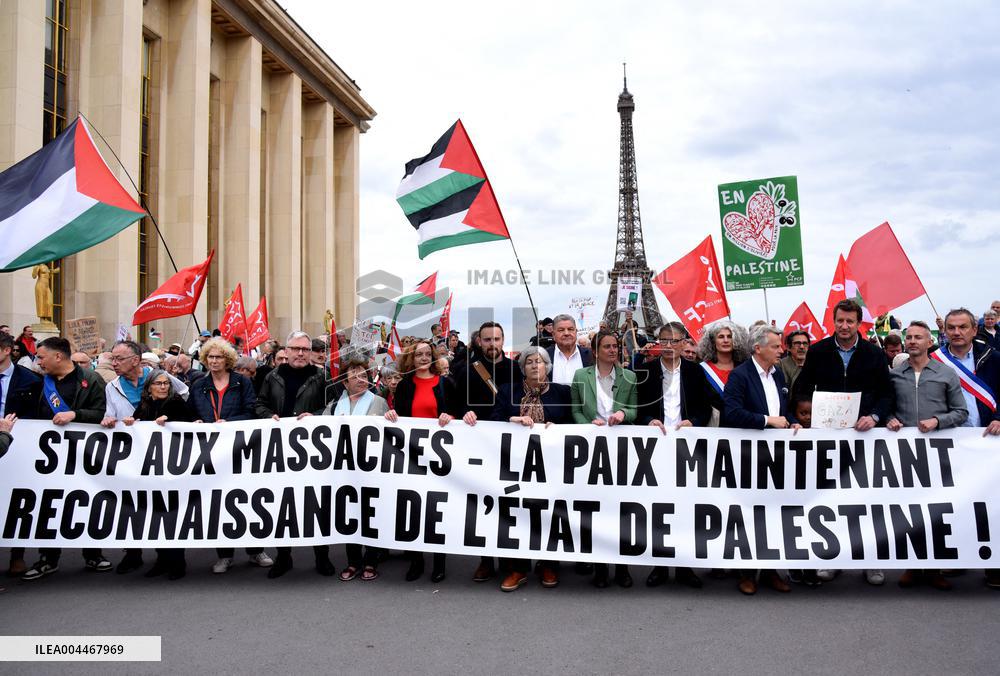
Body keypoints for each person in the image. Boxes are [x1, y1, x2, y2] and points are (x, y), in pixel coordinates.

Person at [793, 299, 893, 586]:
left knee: (866, 502)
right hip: (828, 438)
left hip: (864, 437)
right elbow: (802, 387)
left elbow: (886, 394)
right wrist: (803, 413)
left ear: (858, 322)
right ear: (833, 321)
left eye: (850, 321)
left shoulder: (874, 354)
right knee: (832, 500)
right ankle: (834, 559)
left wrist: (874, 416)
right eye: (840, 321)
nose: (845, 326)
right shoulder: (818, 351)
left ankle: (871, 560)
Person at [885, 321, 968, 591]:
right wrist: (889, 419)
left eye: (918, 337)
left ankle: (934, 569)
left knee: (935, 510)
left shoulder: (946, 373)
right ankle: (912, 566)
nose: (911, 341)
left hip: (937, 453)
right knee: (909, 510)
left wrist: (937, 421)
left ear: (929, 342)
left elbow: (961, 412)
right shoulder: (896, 374)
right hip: (905, 454)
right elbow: (886, 407)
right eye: (908, 337)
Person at [22, 337, 111, 581]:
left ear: (58, 356)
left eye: (41, 357)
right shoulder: (41, 383)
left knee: (87, 502)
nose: (38, 362)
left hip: (84, 455)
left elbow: (103, 413)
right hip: (50, 458)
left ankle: (93, 553)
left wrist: (76, 414)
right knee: (50, 505)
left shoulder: (91, 381)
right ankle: (48, 558)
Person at [99, 340, 189, 574]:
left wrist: (171, 417)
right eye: (113, 359)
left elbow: (184, 396)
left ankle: (167, 557)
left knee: (164, 505)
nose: (114, 363)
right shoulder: (113, 386)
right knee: (132, 504)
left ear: (136, 360)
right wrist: (111, 421)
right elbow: (111, 413)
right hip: (133, 453)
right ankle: (133, 553)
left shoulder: (158, 376)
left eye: (119, 359)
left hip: (165, 454)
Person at [722, 325, 798, 595]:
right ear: (758, 348)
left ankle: (769, 571)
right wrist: (767, 421)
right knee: (748, 515)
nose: (781, 350)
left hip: (777, 456)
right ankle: (746, 573)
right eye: (776, 346)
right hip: (748, 457)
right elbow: (731, 413)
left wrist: (793, 423)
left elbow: (783, 411)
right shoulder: (740, 376)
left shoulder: (778, 376)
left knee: (774, 514)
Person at [635, 321, 711, 589]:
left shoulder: (695, 372)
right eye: (663, 341)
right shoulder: (644, 371)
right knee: (659, 508)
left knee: (686, 507)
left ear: (683, 343)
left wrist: (695, 422)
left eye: (673, 341)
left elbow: (705, 407)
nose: (667, 346)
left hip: (686, 447)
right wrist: (648, 421)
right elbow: (637, 407)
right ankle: (660, 564)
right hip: (656, 447)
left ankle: (684, 565)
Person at [187, 337, 273, 574]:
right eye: (210, 357)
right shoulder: (198, 386)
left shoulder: (241, 383)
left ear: (228, 360)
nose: (214, 361)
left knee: (247, 499)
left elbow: (251, 412)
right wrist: (195, 422)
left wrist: (229, 422)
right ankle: (224, 555)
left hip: (240, 449)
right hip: (211, 451)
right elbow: (190, 413)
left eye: (219, 357)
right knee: (217, 502)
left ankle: (256, 550)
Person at [490, 346, 572, 592]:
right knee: (515, 514)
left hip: (551, 465)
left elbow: (575, 422)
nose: (536, 366)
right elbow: (492, 421)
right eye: (530, 362)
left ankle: (548, 564)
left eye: (540, 362)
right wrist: (511, 420)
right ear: (522, 368)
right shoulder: (507, 392)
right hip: (515, 465)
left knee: (549, 513)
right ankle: (517, 568)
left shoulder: (563, 392)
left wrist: (556, 427)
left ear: (548, 366)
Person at [256, 331, 331, 578]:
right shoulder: (271, 377)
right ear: (285, 351)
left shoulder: (322, 377)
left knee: (316, 504)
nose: (300, 353)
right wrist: (269, 416)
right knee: (281, 505)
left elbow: (332, 407)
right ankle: (283, 556)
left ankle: (322, 556)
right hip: (279, 449)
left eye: (305, 349)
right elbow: (259, 404)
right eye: (295, 349)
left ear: (311, 352)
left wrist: (316, 416)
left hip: (313, 450)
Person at [934, 309, 1000, 588]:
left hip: (989, 442)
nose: (957, 332)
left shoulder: (993, 359)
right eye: (951, 327)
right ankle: (958, 555)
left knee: (991, 504)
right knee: (955, 503)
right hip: (952, 442)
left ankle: (994, 564)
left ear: (975, 330)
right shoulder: (936, 361)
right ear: (945, 331)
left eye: (963, 327)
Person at [385, 339, 460, 582]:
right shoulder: (405, 385)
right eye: (420, 355)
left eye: (428, 354)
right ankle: (417, 561)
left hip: (440, 458)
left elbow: (457, 412)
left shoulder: (446, 383)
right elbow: (400, 415)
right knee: (415, 509)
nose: (425, 358)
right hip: (413, 458)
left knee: (438, 510)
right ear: (411, 359)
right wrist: (391, 414)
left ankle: (440, 563)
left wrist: (451, 416)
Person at [571, 330, 638, 588]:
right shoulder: (580, 376)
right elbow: (575, 410)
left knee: (620, 509)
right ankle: (600, 567)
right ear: (596, 352)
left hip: (621, 448)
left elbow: (635, 409)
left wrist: (622, 414)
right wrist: (589, 424)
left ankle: (622, 567)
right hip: (592, 447)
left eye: (616, 346)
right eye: (607, 347)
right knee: (595, 510)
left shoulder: (629, 377)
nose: (613, 350)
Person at [453, 321, 518, 582]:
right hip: (479, 445)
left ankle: (511, 561)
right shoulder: (467, 371)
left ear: (503, 340)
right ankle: (485, 561)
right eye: (487, 339)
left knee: (509, 504)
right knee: (482, 504)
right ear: (479, 342)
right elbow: (456, 404)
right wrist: (463, 413)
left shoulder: (516, 369)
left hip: (509, 445)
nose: (492, 344)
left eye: (497, 339)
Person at [116, 369, 193, 579]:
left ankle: (178, 563)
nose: (163, 387)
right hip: (152, 473)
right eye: (158, 384)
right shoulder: (144, 406)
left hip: (174, 470)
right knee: (156, 516)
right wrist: (131, 423)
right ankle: (162, 559)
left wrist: (172, 420)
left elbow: (190, 422)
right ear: (149, 387)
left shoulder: (176, 404)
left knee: (172, 516)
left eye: (166, 384)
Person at [324, 356, 390, 582]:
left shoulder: (379, 402)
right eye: (355, 376)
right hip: (344, 470)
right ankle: (353, 562)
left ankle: (371, 560)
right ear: (345, 382)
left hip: (371, 468)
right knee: (350, 515)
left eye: (364, 375)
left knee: (370, 514)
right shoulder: (334, 406)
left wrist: (393, 418)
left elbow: (391, 433)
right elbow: (322, 430)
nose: (362, 379)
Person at [0, 333, 41, 576]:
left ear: (6, 350)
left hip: (18, 444)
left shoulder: (30, 380)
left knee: (17, 498)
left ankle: (18, 553)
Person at [696, 320, 750, 423]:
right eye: (721, 337)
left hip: (742, 426)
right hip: (714, 428)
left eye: (729, 336)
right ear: (712, 341)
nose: (726, 340)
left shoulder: (745, 368)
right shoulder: (701, 369)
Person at [546, 314, 594, 386]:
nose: (566, 333)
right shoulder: (543, 357)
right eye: (561, 330)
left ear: (576, 331)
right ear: (553, 334)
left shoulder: (591, 355)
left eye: (570, 329)